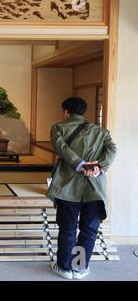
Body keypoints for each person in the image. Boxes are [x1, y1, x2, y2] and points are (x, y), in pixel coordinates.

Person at [47, 97, 117, 280]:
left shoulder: (58, 128)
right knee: (89, 230)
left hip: (67, 187)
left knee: (68, 229)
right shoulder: (101, 131)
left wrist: (80, 165)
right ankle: (79, 268)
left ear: (66, 112)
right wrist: (98, 166)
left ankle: (64, 268)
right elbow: (112, 150)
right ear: (83, 112)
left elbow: (62, 149)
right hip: (95, 188)